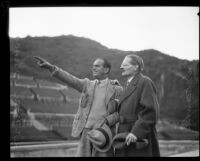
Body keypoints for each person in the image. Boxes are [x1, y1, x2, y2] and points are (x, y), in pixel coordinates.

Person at [34, 56, 123, 157]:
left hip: (104, 133)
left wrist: (107, 122)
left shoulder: (117, 89)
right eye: (93, 66)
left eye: (97, 66)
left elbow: (120, 113)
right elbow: (71, 79)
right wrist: (52, 68)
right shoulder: (87, 84)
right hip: (86, 131)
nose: (93, 68)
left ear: (106, 69)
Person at [114, 54, 160, 157]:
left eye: (125, 65)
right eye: (121, 65)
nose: (121, 67)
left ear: (136, 67)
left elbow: (151, 112)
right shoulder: (127, 85)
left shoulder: (145, 82)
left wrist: (136, 132)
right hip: (124, 133)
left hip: (137, 135)